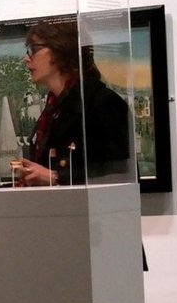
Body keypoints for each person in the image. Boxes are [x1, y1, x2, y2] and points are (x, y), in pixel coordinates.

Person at [18, 19, 132, 187]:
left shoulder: (102, 103)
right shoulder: (53, 109)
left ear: (60, 49)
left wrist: (55, 177)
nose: (26, 58)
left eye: (33, 49)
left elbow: (122, 176)